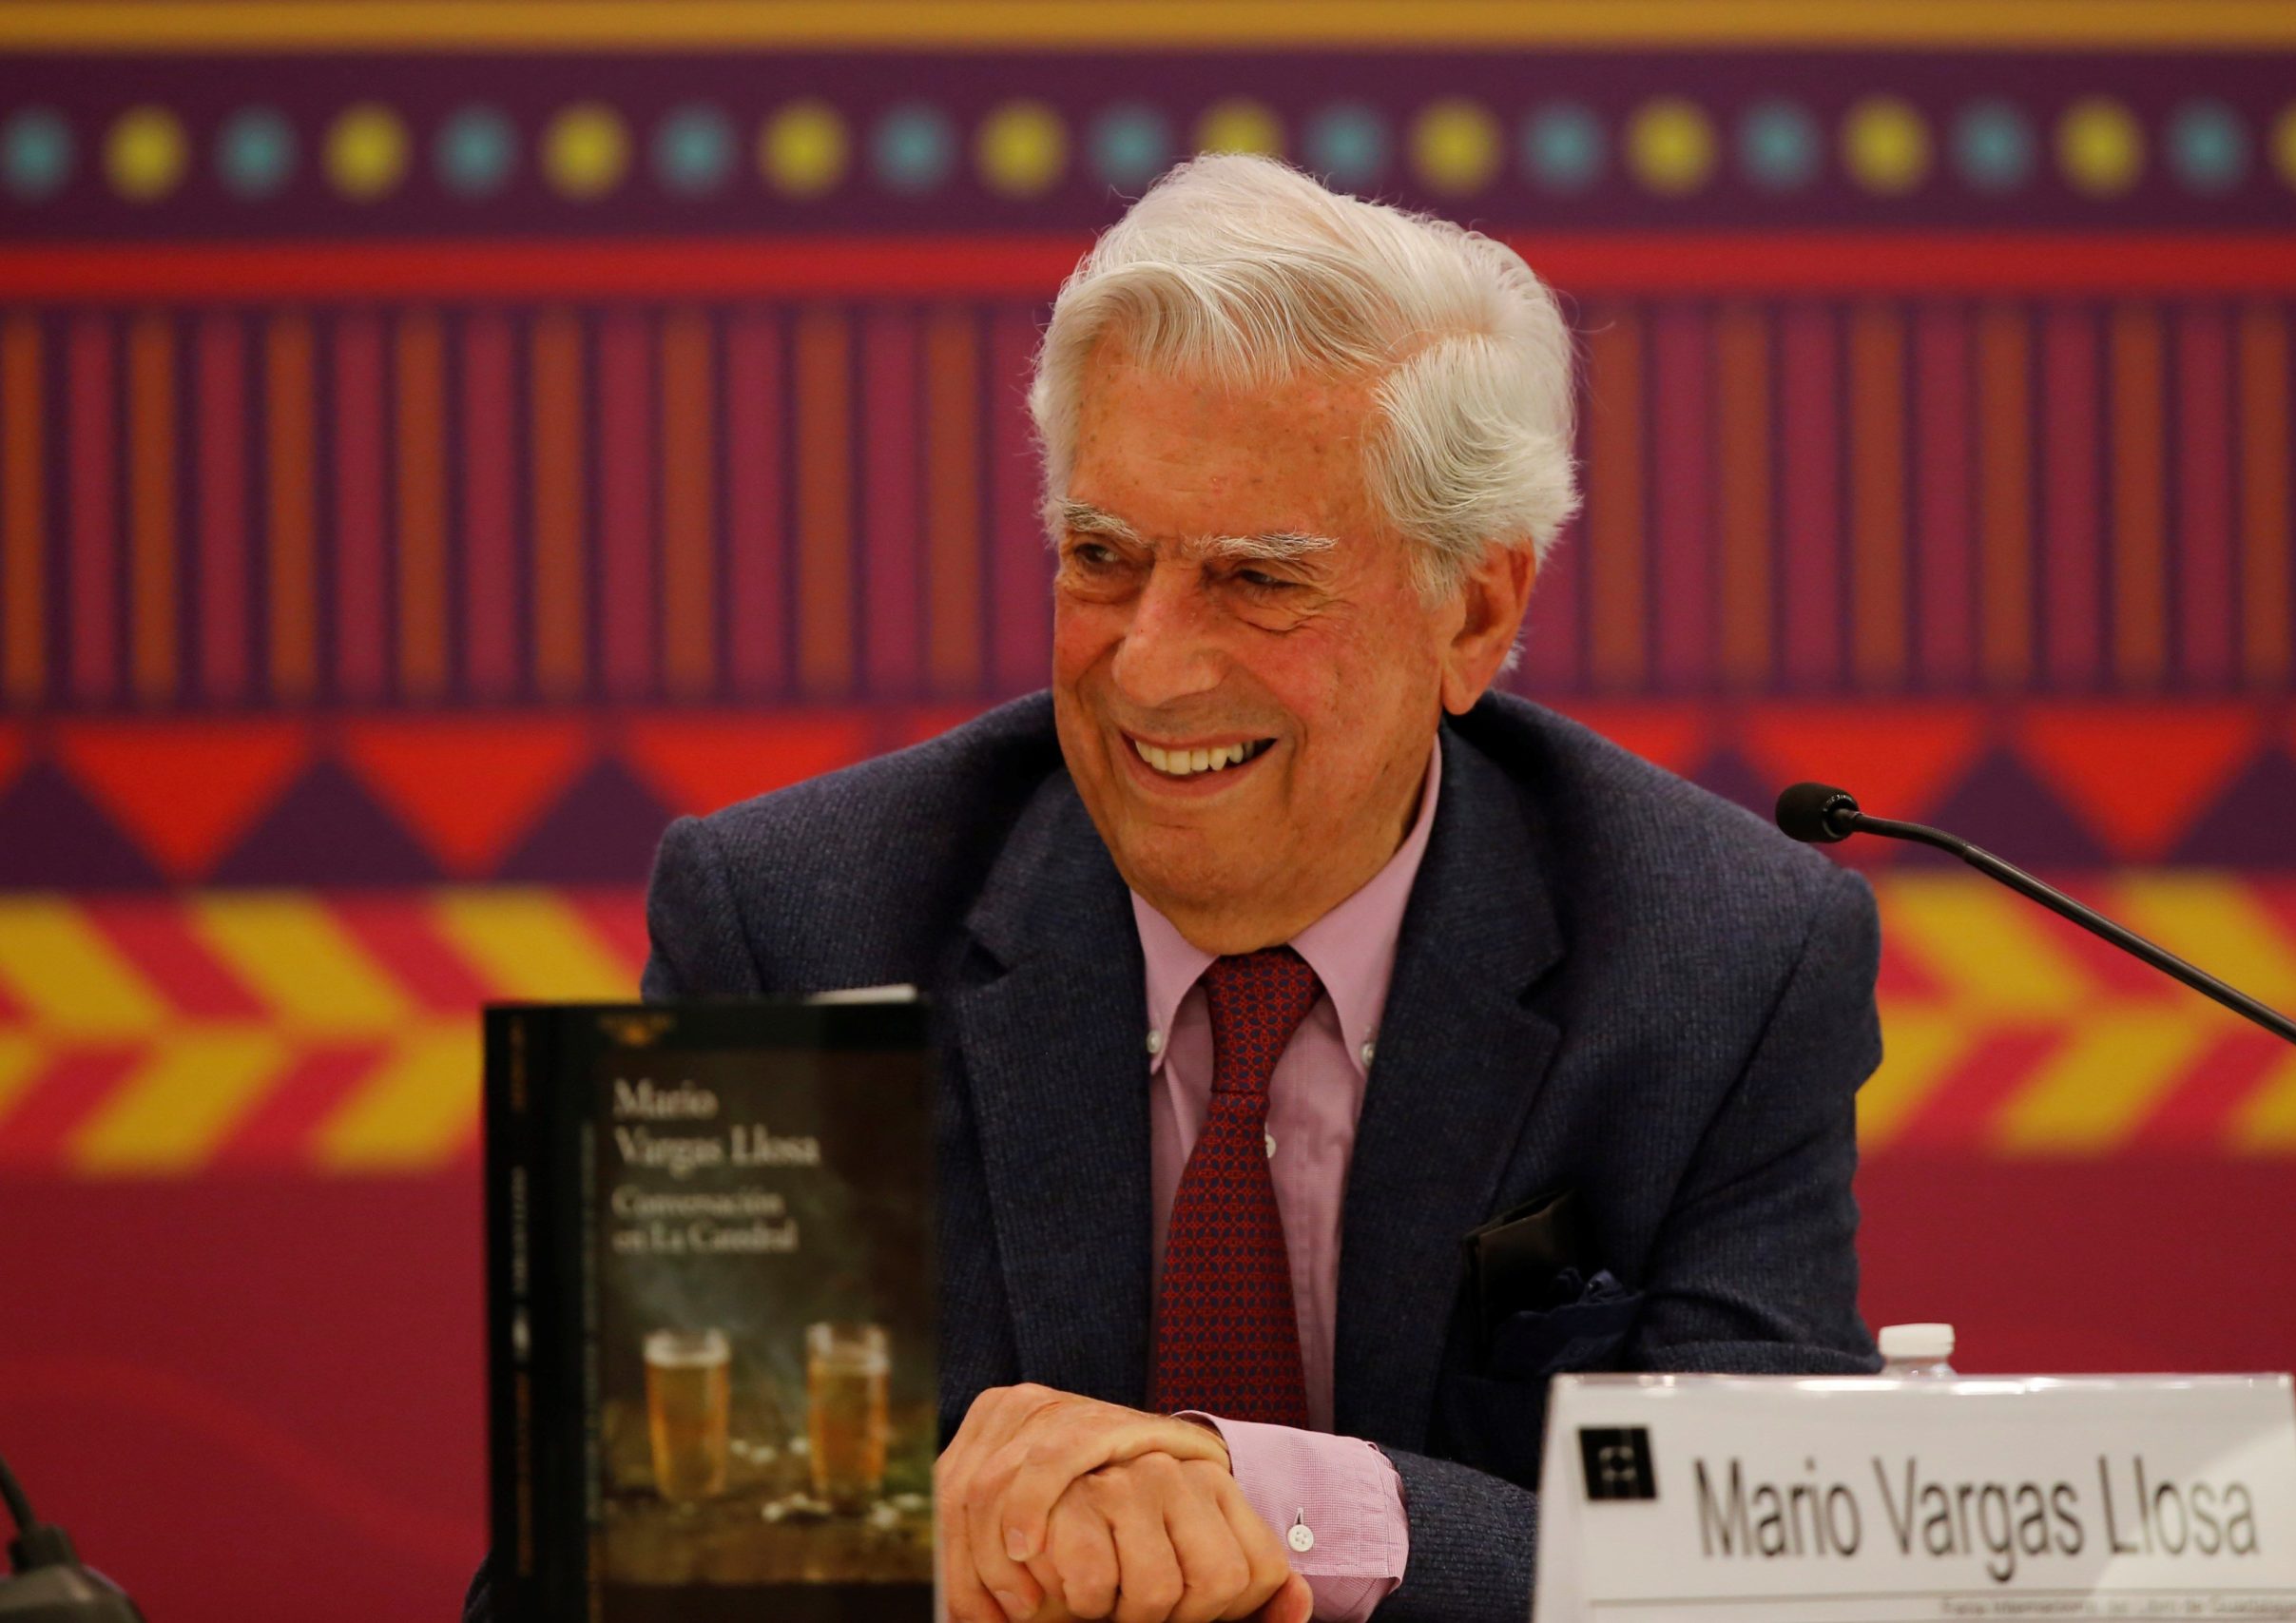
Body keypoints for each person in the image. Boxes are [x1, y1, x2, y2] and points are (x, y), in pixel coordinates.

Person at [464, 152, 1881, 1623]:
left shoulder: (1725, 958)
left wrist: (1278, 1503)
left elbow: (1781, 1575)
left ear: (1475, 607)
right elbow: (588, 1588)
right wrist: (894, 1562)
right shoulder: (795, 925)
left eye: (1258, 580)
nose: (1147, 665)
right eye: (1102, 558)